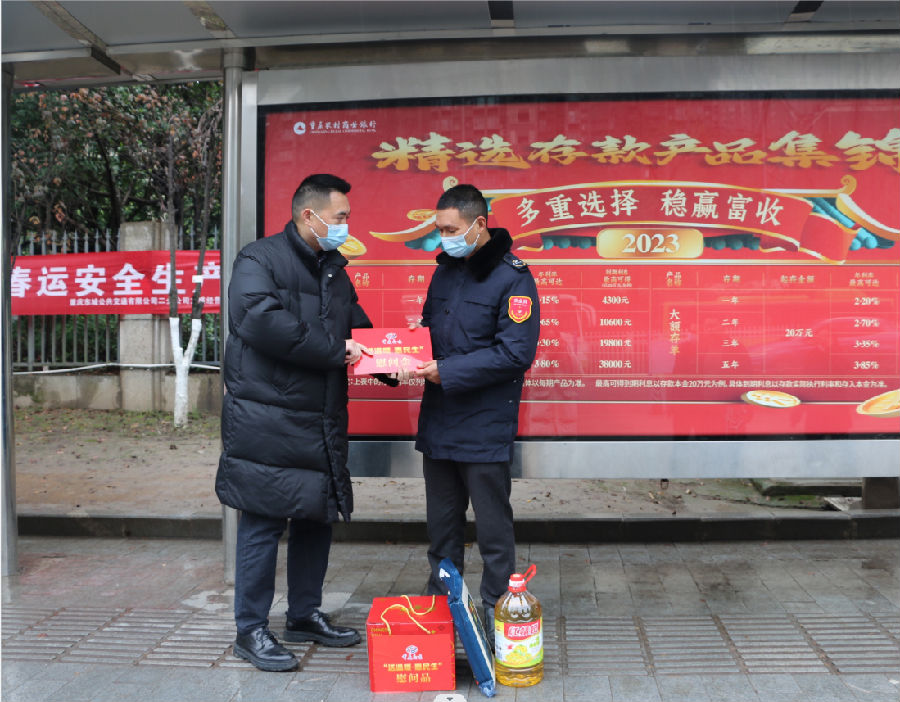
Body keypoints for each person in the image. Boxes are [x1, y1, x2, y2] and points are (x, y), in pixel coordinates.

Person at [215, 173, 396, 672]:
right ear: (309, 215)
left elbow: (357, 330)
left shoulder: (334, 268)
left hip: (320, 418)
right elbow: (260, 320)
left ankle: (303, 614)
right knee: (263, 521)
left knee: (317, 515)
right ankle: (250, 629)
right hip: (268, 419)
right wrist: (337, 350)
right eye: (341, 217)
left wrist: (395, 358)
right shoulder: (258, 260)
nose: (346, 226)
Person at [412, 183, 541, 643]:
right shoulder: (445, 272)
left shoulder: (513, 278)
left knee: (493, 533)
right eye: (439, 229)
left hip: (485, 426)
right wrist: (398, 356)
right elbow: (428, 334)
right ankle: (440, 614)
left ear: (478, 224)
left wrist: (447, 371)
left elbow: (515, 353)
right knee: (442, 531)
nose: (443, 238)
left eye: (450, 229)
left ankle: (497, 616)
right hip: (440, 421)